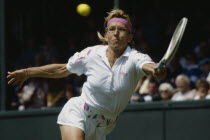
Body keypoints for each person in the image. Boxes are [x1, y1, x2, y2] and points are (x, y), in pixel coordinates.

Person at [7, 9, 166, 140]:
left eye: (122, 29)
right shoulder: (91, 53)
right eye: (112, 29)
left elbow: (151, 68)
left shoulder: (136, 58)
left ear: (130, 37)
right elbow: (62, 69)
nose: (116, 33)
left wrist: (157, 71)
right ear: (106, 35)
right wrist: (28, 72)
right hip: (79, 112)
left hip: (104, 127)